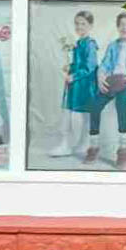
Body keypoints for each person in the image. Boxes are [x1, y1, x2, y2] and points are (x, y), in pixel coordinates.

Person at [85, 11, 126, 169]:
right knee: (95, 105)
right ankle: (94, 145)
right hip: (113, 81)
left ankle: (123, 147)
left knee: (121, 101)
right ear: (118, 27)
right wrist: (100, 77)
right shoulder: (113, 46)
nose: (125, 28)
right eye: (122, 25)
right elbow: (104, 64)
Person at [50, 10, 99, 157]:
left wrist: (74, 75)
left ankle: (83, 142)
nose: (79, 26)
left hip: (85, 84)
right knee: (69, 112)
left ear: (90, 25)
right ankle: (66, 143)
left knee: (83, 115)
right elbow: (79, 63)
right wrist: (70, 66)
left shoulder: (90, 44)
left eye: (83, 24)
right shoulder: (78, 43)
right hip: (76, 83)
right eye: (77, 23)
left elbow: (90, 66)